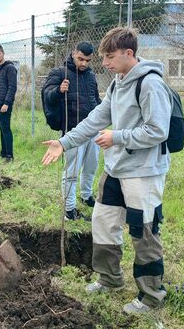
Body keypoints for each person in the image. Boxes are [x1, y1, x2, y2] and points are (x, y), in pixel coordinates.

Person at [42, 27, 172, 315]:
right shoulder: (117, 83)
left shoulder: (150, 84)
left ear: (129, 53)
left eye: (110, 57)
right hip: (115, 168)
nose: (106, 63)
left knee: (144, 231)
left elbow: (158, 130)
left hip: (144, 172)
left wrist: (118, 137)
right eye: (104, 58)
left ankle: (151, 296)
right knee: (102, 221)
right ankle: (110, 279)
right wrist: (64, 143)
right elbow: (95, 119)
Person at [42, 42, 101, 221]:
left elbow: (95, 100)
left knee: (91, 167)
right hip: (73, 130)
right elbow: (47, 96)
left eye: (87, 60)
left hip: (93, 130)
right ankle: (69, 210)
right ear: (73, 53)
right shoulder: (59, 73)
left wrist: (101, 120)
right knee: (72, 172)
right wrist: (59, 91)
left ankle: (86, 195)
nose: (83, 63)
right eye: (80, 59)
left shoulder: (90, 76)